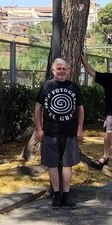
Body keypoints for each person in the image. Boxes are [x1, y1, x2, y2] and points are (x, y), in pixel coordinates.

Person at [34, 58, 85, 208]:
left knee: (68, 164)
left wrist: (79, 128)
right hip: (50, 133)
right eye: (58, 68)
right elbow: (38, 108)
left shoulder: (73, 86)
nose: (61, 71)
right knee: (52, 164)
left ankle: (66, 195)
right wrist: (39, 129)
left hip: (69, 133)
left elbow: (80, 109)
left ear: (68, 70)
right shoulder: (47, 86)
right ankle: (56, 194)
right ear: (53, 70)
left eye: (64, 68)